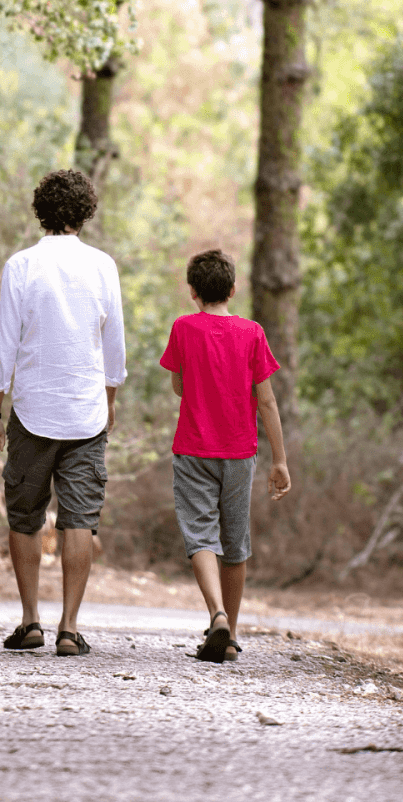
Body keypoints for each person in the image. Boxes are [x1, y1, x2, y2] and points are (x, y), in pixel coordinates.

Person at [0, 169, 126, 657]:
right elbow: (115, 347)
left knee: (25, 516)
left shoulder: (21, 265)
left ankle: (30, 621)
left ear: (40, 210)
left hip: (32, 410)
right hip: (85, 413)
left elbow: (6, 342)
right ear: (86, 212)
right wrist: (108, 404)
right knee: (79, 519)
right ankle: (69, 627)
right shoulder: (104, 266)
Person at [159, 249, 291, 663]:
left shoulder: (183, 328)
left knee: (200, 536)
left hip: (193, 449)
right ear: (233, 289)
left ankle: (215, 613)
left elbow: (179, 387)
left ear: (193, 292)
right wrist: (280, 461)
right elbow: (267, 402)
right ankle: (229, 635)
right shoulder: (253, 333)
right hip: (240, 452)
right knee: (235, 543)